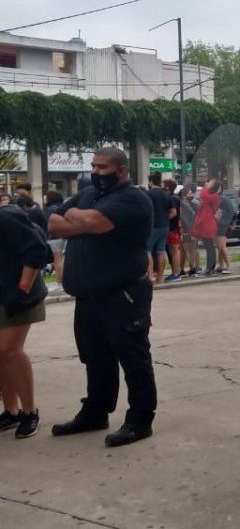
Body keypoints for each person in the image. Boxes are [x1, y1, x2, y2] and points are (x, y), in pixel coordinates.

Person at [48, 147, 157, 447]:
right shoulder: (87, 195)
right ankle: (95, 411)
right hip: (88, 295)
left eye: (102, 167)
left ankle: (140, 419)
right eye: (93, 166)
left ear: (121, 170)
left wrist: (79, 220)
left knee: (133, 357)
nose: (96, 172)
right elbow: (52, 221)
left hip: (123, 295)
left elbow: (94, 223)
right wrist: (81, 220)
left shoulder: (133, 199)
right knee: (95, 358)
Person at [0, 198, 51, 438]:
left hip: (18, 296)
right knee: (2, 354)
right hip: (5, 295)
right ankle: (11, 411)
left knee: (9, 350)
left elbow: (37, 249)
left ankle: (30, 412)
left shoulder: (7, 216)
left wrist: (23, 287)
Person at [192, 178, 222, 275]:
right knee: (208, 246)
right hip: (205, 222)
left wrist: (206, 187)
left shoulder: (214, 196)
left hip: (208, 223)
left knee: (209, 247)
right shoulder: (212, 195)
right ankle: (210, 267)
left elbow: (203, 195)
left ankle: (210, 267)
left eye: (210, 183)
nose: (207, 184)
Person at [144, 178, 171, 284]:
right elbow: (172, 211)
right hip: (165, 225)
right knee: (161, 250)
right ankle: (161, 277)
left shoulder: (148, 194)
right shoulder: (166, 194)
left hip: (152, 225)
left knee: (147, 250)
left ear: (151, 182)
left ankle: (151, 276)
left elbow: (145, 208)